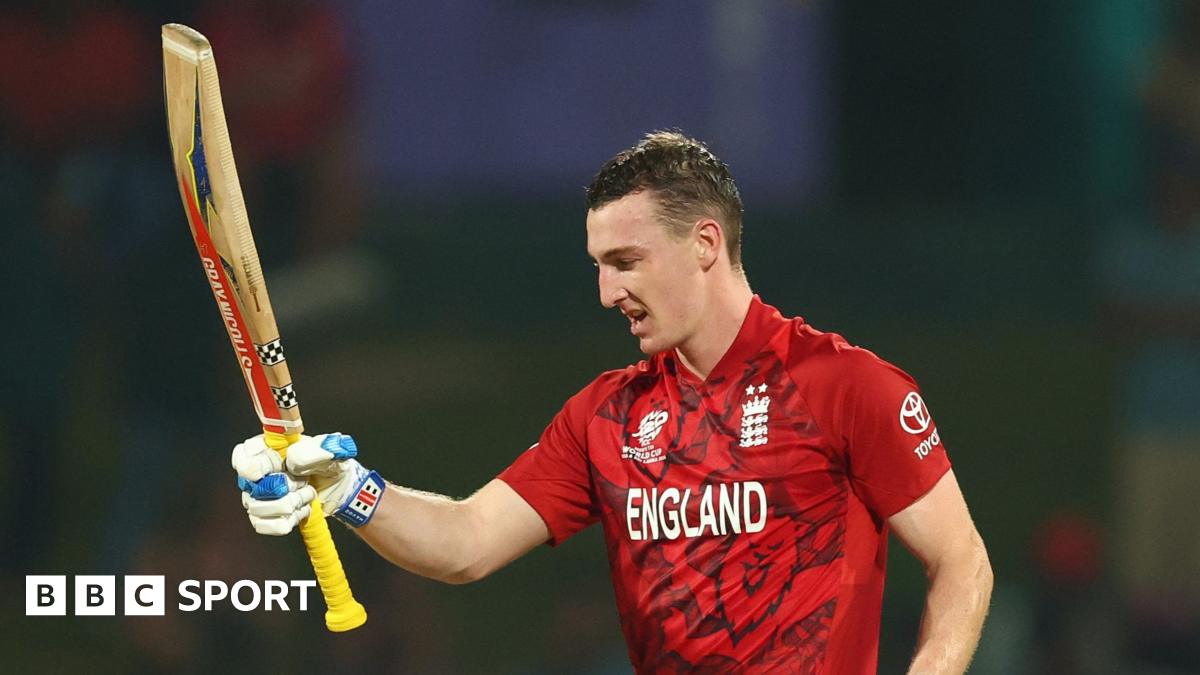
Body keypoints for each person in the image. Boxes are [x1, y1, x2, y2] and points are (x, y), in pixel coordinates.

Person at [232, 131, 993, 674]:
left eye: (626, 262)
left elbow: (962, 562)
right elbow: (466, 541)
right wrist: (353, 492)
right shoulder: (605, 416)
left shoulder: (846, 386)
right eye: (598, 266)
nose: (607, 292)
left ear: (704, 244)